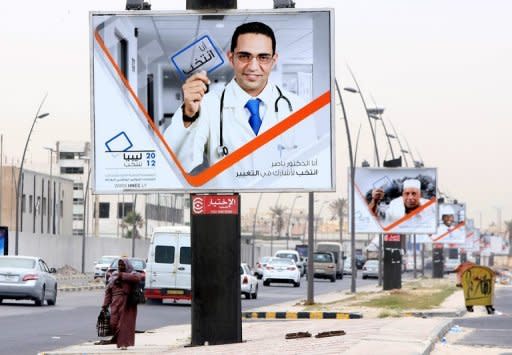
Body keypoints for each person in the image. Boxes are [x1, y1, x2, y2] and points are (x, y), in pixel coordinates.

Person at [163, 21, 313, 179]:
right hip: (229, 200)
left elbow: (309, 166)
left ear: (273, 60)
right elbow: (177, 164)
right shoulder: (207, 105)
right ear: (231, 57)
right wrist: (188, 115)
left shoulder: (297, 107)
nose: (253, 67)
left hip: (277, 201)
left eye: (263, 57)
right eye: (244, 56)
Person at [99, 258, 142, 350]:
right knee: (113, 323)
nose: (120, 267)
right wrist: (105, 305)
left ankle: (123, 344)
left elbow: (138, 278)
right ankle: (118, 340)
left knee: (123, 325)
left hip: (127, 303)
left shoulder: (132, 274)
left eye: (123, 265)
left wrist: (121, 275)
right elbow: (108, 292)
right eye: (119, 265)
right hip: (115, 303)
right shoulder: (113, 276)